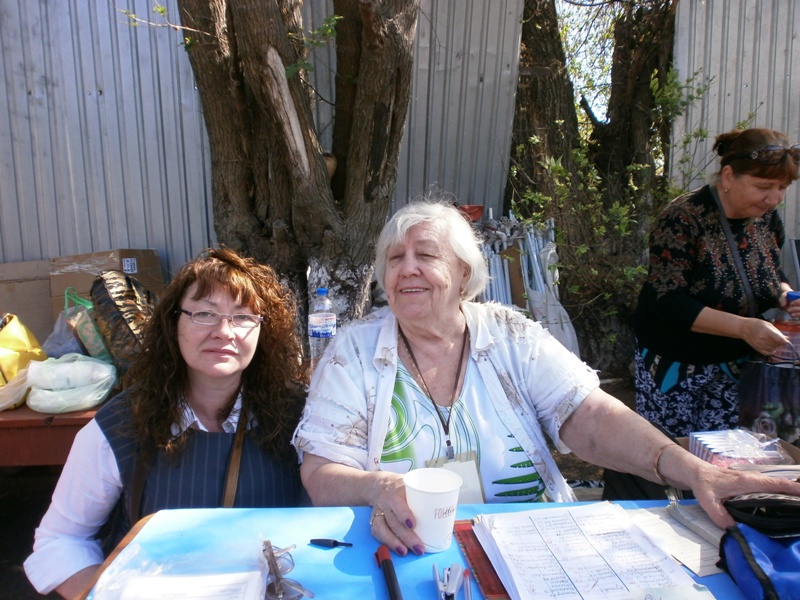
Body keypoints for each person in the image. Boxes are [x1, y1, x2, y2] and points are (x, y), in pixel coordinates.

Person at [293, 198, 800, 556]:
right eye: (394, 259)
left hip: (530, 548)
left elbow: (591, 414)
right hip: (407, 551)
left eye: (425, 255)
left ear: (465, 273)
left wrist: (692, 470)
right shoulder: (354, 351)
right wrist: (379, 487)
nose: (406, 269)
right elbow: (320, 475)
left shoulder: (510, 334)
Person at [25, 247, 306, 597]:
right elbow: (61, 540)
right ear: (173, 323)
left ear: (264, 330)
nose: (224, 331)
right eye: (205, 313)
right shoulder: (121, 423)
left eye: (243, 317)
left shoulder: (299, 417)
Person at [633, 128, 800, 438]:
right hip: (677, 363)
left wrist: (787, 296)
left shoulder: (766, 218)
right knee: (674, 452)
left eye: (783, 187)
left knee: (728, 451)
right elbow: (667, 301)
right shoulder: (683, 218)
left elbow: (771, 273)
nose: (774, 198)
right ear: (728, 176)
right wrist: (744, 328)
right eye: (763, 186)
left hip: (736, 364)